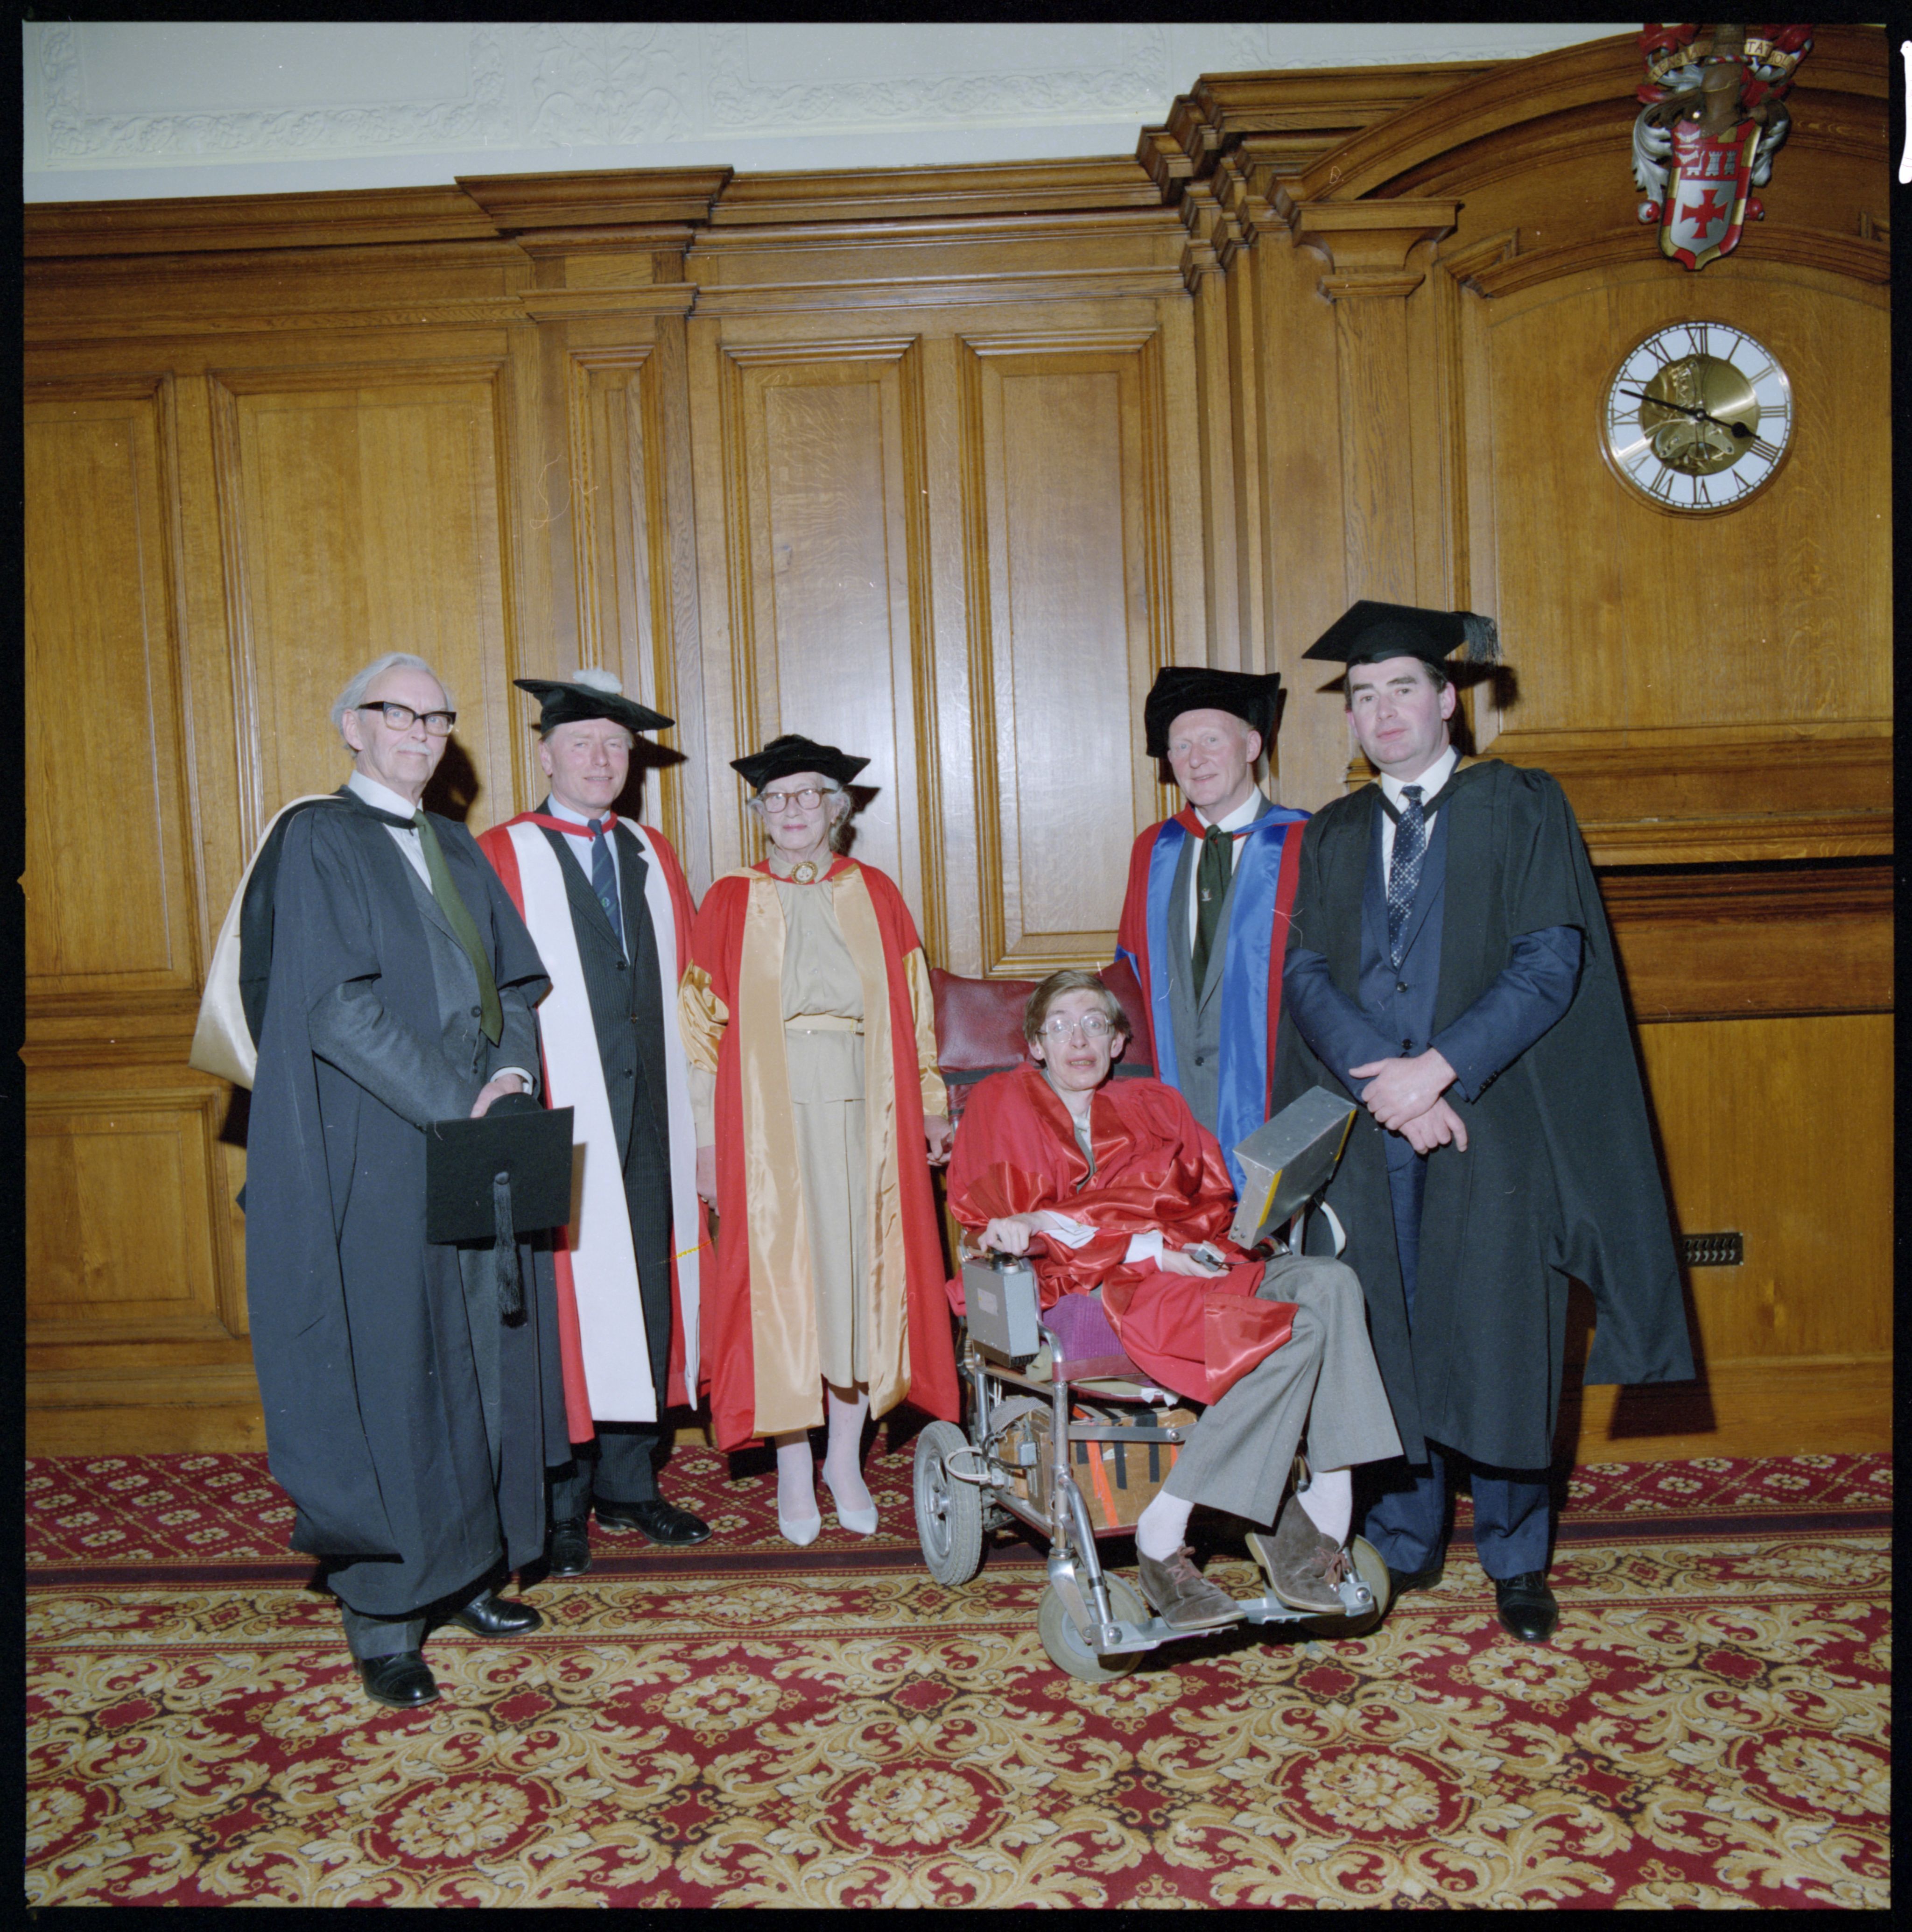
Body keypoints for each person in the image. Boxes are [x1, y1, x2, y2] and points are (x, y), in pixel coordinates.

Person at [1273, 600, 1694, 1643]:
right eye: (1363, 697)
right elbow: (1308, 972)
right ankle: (1408, 1533)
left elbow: (1550, 960)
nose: (1381, 711)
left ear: (1447, 700)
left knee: (1505, 1326)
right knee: (1390, 1324)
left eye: (1401, 689)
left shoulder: (1519, 805)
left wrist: (1436, 1071)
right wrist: (1384, 1082)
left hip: (1490, 1112)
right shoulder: (1332, 831)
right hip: (1375, 1129)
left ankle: (1515, 1553)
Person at [243, 652, 562, 1710]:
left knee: (478, 1356)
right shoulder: (318, 839)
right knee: (392, 1375)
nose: (423, 733)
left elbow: (513, 986)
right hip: (379, 1151)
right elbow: (335, 1011)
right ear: (352, 725)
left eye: (439, 718)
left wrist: (510, 1070)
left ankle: (466, 1573)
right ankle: (385, 1615)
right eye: (400, 715)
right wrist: (454, 1100)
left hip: (474, 1142)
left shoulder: (457, 844)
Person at [946, 971, 1402, 1630]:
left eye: (1096, 1023)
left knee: (1333, 1284)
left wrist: (1189, 1242)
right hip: (1102, 1285)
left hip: (1195, 1260)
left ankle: (1324, 1507)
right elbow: (995, 1212)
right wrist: (1139, 1246)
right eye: (1061, 1025)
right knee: (1293, 1334)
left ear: (1119, 1039)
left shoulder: (1156, 1102)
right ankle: (1171, 1532)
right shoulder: (1000, 1103)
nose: (1080, 1038)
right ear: (1036, 1045)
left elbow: (1211, 1198)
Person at [680, 734, 960, 1544]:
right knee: (784, 1289)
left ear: (838, 806)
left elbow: (913, 1014)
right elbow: (700, 1033)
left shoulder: (874, 891)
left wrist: (932, 1103)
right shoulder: (730, 898)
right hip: (764, 1115)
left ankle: (846, 1457)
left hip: (866, 1112)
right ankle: (794, 1467)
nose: (794, 810)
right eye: (777, 797)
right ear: (758, 812)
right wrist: (706, 1143)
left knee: (852, 1283)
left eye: (809, 795)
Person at [477, 669, 710, 1573]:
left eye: (617, 746)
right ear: (545, 754)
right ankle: (562, 1496)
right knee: (565, 1300)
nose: (603, 759)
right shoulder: (503, 852)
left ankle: (631, 1480)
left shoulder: (651, 855)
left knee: (644, 1282)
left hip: (649, 1109)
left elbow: (690, 989)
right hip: (557, 1108)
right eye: (584, 744)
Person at [1116, 667, 1310, 1193]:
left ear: (1250, 745)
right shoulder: (1154, 849)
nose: (1194, 758)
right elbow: (1129, 974)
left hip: (1273, 1105)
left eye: (1210, 740)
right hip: (1173, 1116)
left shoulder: (1305, 843)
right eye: (1180, 746)